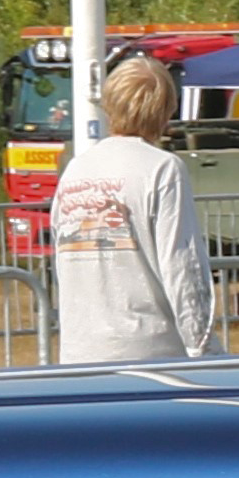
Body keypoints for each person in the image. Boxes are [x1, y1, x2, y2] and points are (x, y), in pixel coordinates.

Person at [42, 51, 212, 365]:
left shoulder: (75, 170)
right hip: (150, 354)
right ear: (166, 110)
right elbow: (182, 268)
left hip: (79, 353)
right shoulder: (163, 169)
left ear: (110, 104)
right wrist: (205, 349)